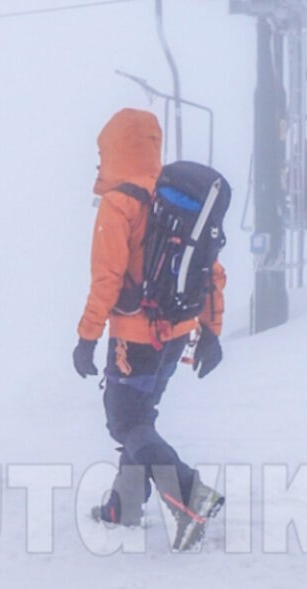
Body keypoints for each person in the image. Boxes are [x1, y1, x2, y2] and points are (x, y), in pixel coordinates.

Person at [74, 108, 227, 551]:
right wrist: (210, 332)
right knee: (140, 417)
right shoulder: (173, 198)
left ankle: (189, 493)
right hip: (177, 332)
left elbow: (106, 280)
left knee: (126, 420)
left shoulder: (120, 203)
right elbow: (213, 273)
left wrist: (87, 337)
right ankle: (123, 507)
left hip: (135, 337)